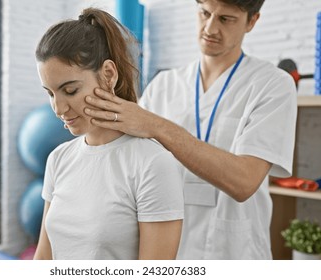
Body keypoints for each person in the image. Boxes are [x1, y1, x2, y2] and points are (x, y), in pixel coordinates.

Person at [84, 0, 297, 259]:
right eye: (204, 13)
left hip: (236, 252)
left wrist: (156, 126)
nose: (210, 28)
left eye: (226, 19)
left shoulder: (273, 84)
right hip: (169, 252)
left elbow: (244, 181)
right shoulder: (164, 85)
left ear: (251, 21)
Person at [33, 8, 184, 260]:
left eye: (70, 90)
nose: (59, 108)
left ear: (108, 75)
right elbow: (44, 258)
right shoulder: (58, 159)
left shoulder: (153, 163)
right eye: (50, 93)